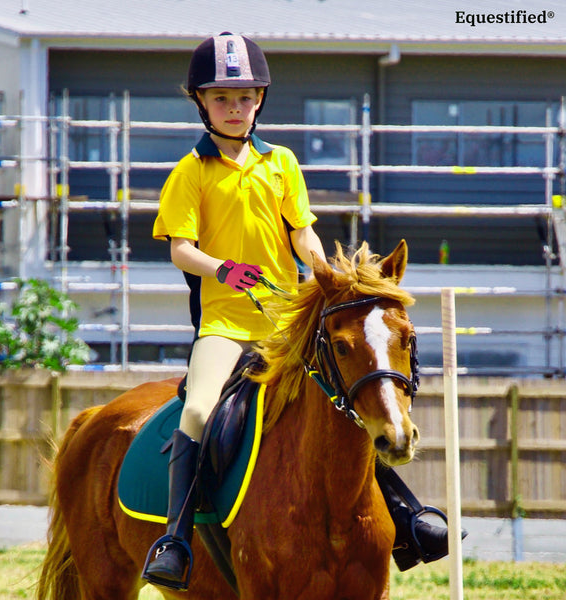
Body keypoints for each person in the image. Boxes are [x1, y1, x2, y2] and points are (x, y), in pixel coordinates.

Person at [143, 32, 458, 591]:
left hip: (286, 327)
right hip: (225, 328)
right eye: (221, 98)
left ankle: (405, 518)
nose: (235, 109)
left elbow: (302, 233)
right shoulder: (191, 172)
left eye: (244, 98)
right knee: (196, 414)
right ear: (201, 103)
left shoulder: (281, 163)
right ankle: (175, 540)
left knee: (348, 404)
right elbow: (179, 249)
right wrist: (224, 269)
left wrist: (328, 276)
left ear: (259, 100)